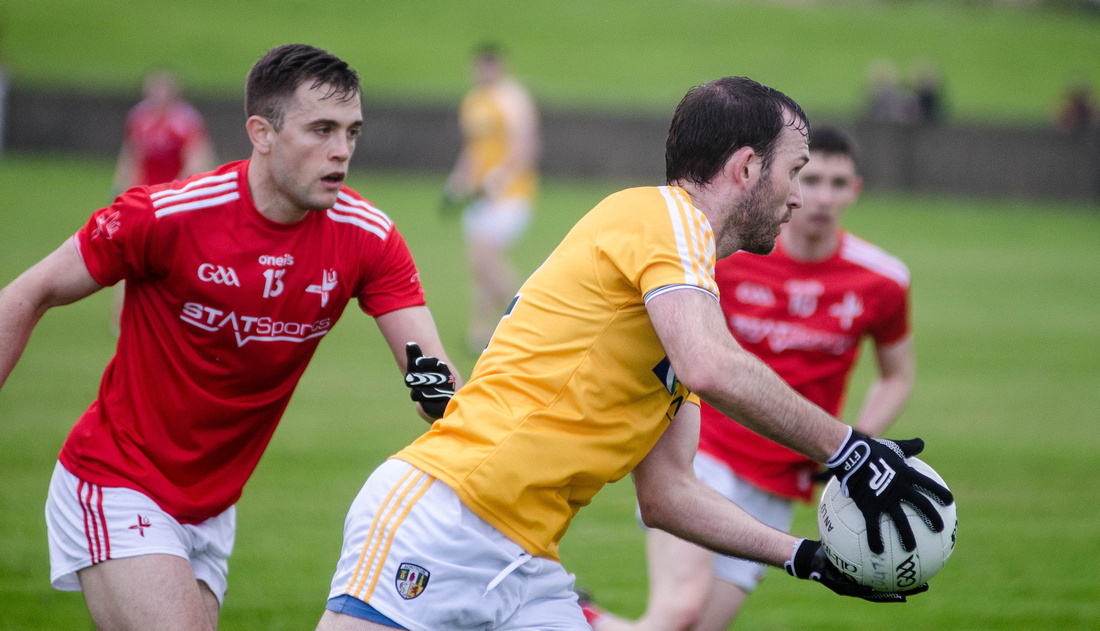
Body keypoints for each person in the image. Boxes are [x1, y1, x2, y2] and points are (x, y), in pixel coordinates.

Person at [316, 78, 953, 631]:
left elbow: (669, 494)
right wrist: (852, 451)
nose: (800, 196)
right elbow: (712, 366)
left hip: (526, 559)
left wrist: (805, 556)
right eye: (795, 171)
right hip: (444, 516)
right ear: (747, 168)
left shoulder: (685, 299)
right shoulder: (665, 218)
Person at [0, 44, 461, 631]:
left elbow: (435, 380)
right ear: (261, 133)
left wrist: (460, 412)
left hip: (213, 507)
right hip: (117, 478)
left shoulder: (368, 238)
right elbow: (26, 293)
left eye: (352, 131)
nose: (341, 151)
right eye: (321, 129)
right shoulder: (165, 217)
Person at [584, 126, 916, 630]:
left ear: (856, 190)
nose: (822, 197)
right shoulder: (734, 257)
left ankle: (570, 614)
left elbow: (897, 375)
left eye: (838, 183)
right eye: (812, 178)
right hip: (703, 450)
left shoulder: (883, 279)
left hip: (781, 478)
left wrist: (858, 444)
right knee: (679, 611)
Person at [442, 43, 541, 352]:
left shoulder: (511, 98)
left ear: (499, 67)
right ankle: (481, 332)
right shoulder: (473, 102)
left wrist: (498, 179)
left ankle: (528, 320)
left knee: (485, 258)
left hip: (511, 193)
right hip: (479, 195)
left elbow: (526, 145)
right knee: (478, 262)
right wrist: (456, 183)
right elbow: (473, 150)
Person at [109, 70, 217, 332]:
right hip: (142, 200)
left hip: (172, 202)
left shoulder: (185, 121)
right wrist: (120, 187)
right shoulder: (138, 117)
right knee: (129, 256)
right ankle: (122, 316)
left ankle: (178, 315)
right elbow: (132, 154)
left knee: (176, 258)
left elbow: (199, 157)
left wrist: (181, 192)